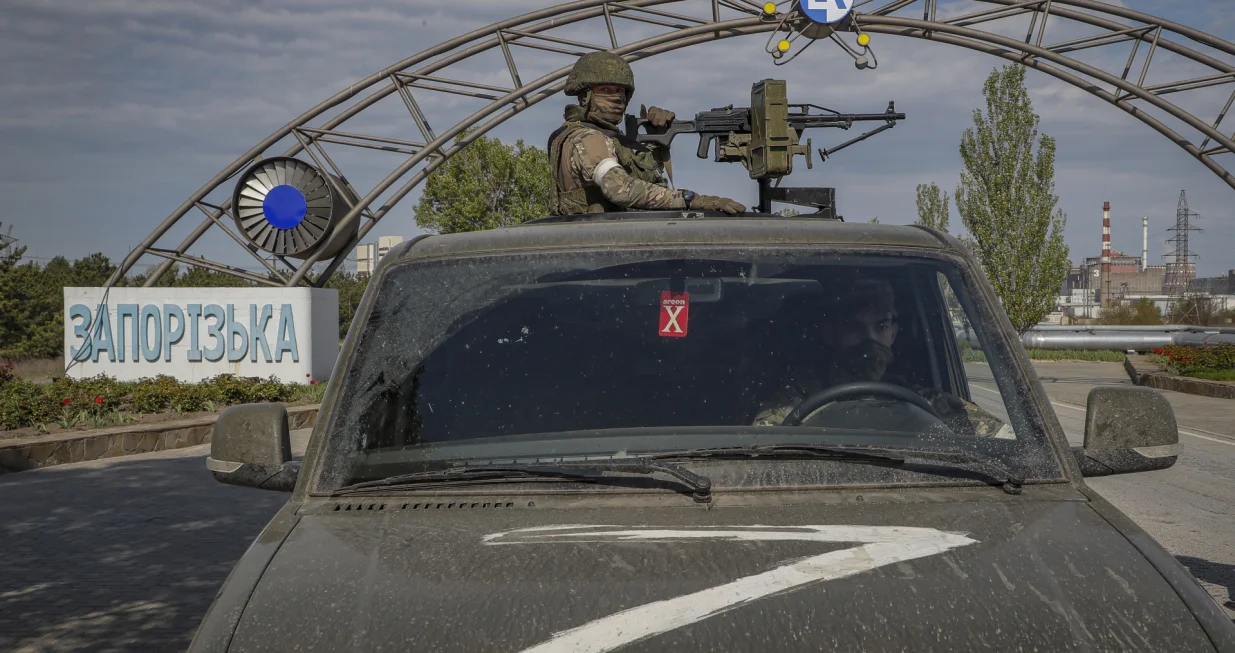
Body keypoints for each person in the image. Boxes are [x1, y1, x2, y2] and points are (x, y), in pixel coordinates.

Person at [751, 278, 1004, 436]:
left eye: (880, 327)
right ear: (830, 334)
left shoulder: (926, 402)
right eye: (854, 327)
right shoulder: (790, 404)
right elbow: (760, 458)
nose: (869, 340)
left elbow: (1006, 444)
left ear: (893, 333)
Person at [547, 51, 746, 216]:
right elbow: (619, 188)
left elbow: (642, 186)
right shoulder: (588, 138)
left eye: (621, 91)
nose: (616, 98)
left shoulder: (602, 137)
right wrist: (690, 199)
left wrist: (653, 145)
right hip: (600, 245)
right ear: (585, 96)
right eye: (606, 90)